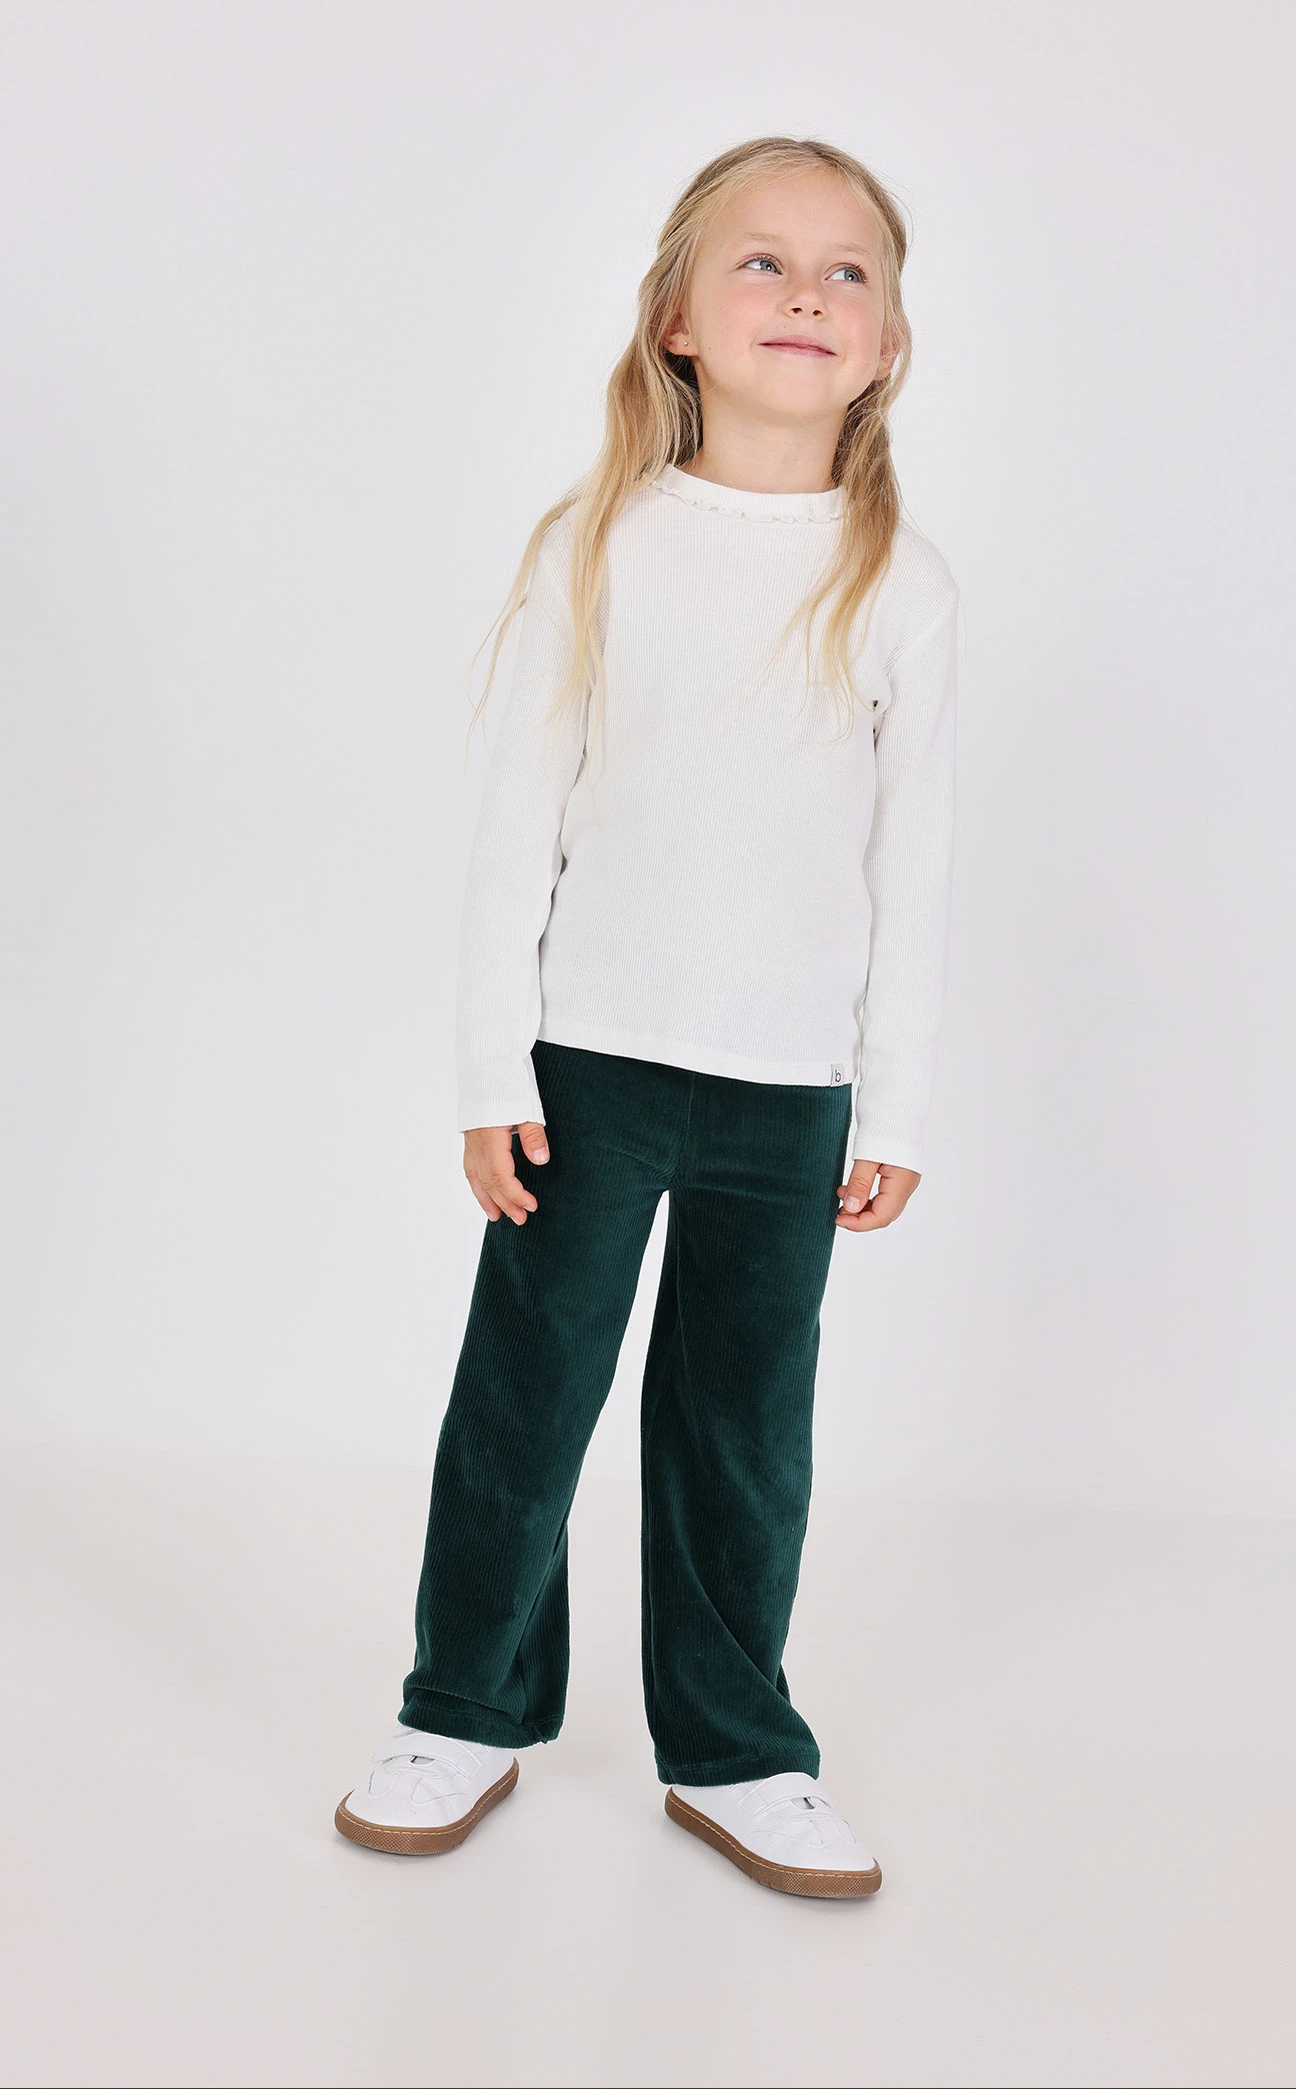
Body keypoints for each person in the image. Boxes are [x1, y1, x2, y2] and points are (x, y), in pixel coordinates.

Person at [334, 134, 960, 1900]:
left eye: (845, 271)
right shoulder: (598, 544)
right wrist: (490, 1068)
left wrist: (889, 1109)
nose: (806, 293)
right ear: (676, 318)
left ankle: (737, 1747)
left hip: (789, 1091)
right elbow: (513, 829)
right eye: (761, 261)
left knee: (741, 1430)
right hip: (587, 1070)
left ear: (887, 344)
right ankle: (463, 1711)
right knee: (525, 1402)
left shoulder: (902, 585)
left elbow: (911, 869)